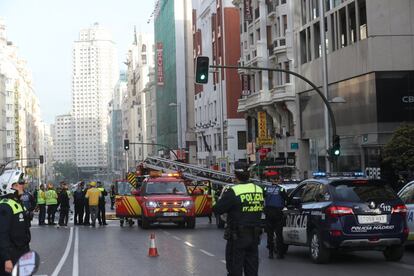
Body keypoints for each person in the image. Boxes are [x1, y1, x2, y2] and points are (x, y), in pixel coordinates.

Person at [213, 161, 264, 276]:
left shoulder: (233, 191)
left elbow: (217, 209)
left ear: (235, 175)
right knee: (252, 269)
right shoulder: (259, 190)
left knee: (234, 268)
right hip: (254, 236)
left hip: (237, 237)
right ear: (249, 174)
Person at [0, 170, 31, 276]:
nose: (23, 185)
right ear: (9, 186)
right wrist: (6, 259)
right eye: (19, 184)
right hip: (11, 256)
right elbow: (2, 234)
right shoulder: (5, 206)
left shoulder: (17, 203)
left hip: (22, 252)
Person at [264, 177, 287, 259]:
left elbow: (263, 198)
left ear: (271, 181)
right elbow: (286, 199)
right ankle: (280, 254)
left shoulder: (266, 188)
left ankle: (270, 253)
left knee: (270, 234)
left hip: (268, 213)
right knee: (279, 234)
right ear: (278, 181)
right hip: (278, 213)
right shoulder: (281, 189)